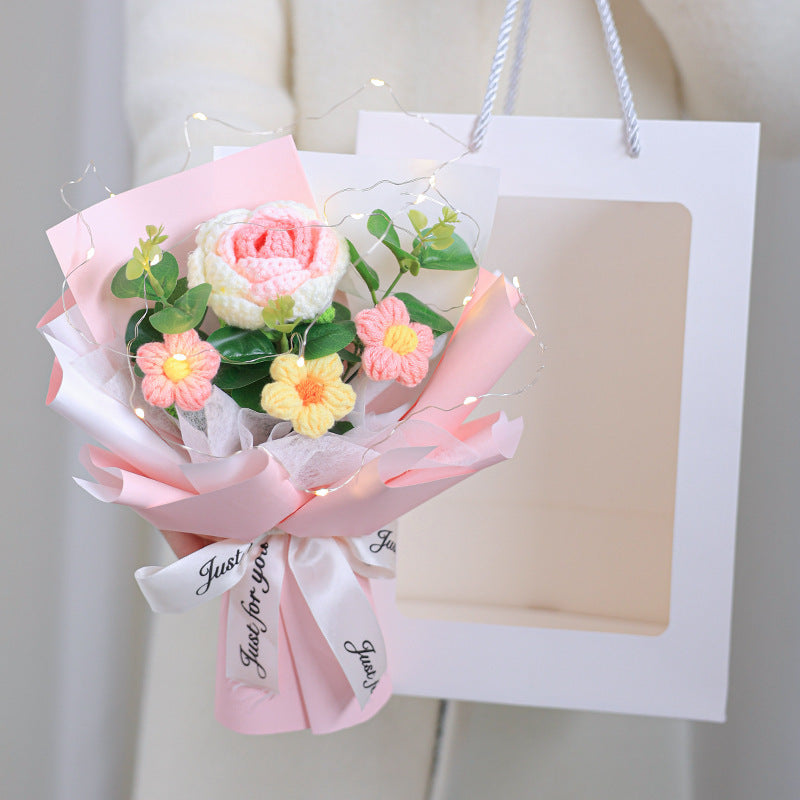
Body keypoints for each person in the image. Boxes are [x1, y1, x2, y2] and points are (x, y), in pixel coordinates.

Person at [125, 2, 799, 798]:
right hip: (301, 428)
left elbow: (781, 95)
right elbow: (199, 89)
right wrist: (235, 356)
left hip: (591, 456)